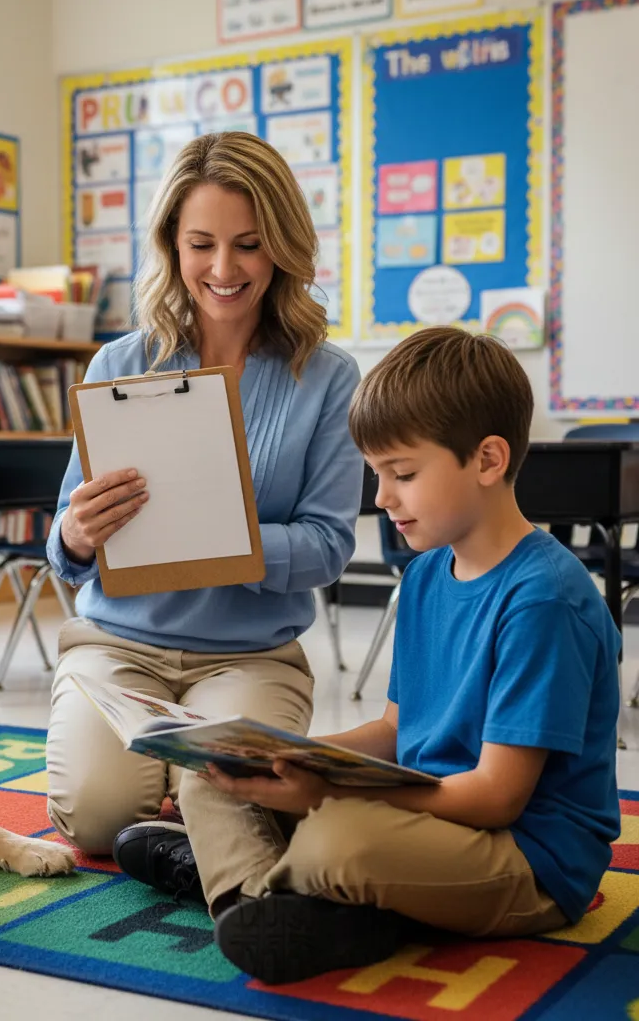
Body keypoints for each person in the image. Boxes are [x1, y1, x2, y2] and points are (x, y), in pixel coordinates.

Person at [203, 327, 622, 985]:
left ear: (487, 460)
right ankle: (263, 901)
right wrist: (289, 753)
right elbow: (397, 732)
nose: (381, 498)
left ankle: (243, 884)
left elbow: (494, 799)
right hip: (432, 818)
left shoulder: (544, 600)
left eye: (402, 474)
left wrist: (331, 790)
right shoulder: (428, 575)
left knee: (337, 839)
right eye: (377, 474)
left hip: (527, 861)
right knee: (214, 781)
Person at [43, 131, 364, 913]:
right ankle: (178, 814)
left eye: (250, 245)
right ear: (171, 246)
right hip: (117, 647)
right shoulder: (119, 364)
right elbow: (63, 541)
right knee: (95, 815)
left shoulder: (328, 376)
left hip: (250, 656)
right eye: (202, 245)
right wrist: (75, 536)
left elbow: (329, 546)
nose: (225, 270)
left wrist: (229, 540)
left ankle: (192, 820)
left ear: (283, 245)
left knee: (224, 793)